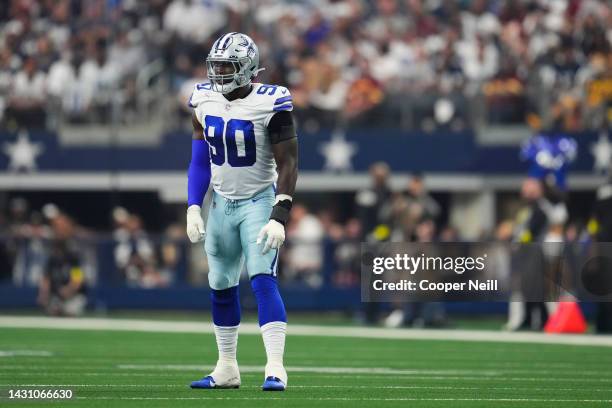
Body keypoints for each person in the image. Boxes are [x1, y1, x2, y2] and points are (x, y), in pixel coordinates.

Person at [185, 33, 298, 391]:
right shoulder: (203, 98)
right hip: (221, 203)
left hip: (258, 201)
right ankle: (226, 368)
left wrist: (280, 212)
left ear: (247, 67)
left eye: (226, 66)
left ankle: (276, 367)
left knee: (262, 280)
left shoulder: (271, 101)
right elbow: (199, 159)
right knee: (220, 284)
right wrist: (192, 206)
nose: (218, 73)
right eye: (215, 65)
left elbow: (289, 161)